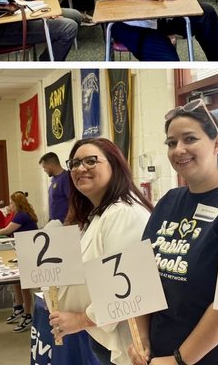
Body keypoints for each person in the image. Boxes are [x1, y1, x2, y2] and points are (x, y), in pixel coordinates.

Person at [129, 100, 218, 365]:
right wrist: (140, 341)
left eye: (190, 139)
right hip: (157, 353)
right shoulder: (168, 201)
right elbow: (141, 276)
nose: (179, 150)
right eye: (171, 142)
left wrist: (179, 361)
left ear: (217, 144)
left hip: (209, 357)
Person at [47, 137, 152, 363]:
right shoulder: (98, 214)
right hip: (103, 334)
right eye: (74, 163)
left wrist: (78, 320)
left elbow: (123, 292)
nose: (80, 168)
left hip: (127, 343)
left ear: (114, 165)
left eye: (91, 161)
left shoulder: (123, 213)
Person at [0, 192, 41, 332]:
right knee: (16, 281)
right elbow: (7, 225)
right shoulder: (18, 214)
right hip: (23, 249)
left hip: (29, 252)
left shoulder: (22, 215)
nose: (10, 205)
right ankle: (19, 307)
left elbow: (7, 230)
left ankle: (28, 314)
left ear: (17, 203)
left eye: (12, 203)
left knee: (24, 283)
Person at [39, 150, 72, 224]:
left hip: (63, 223)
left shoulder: (65, 178)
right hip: (54, 222)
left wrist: (67, 222)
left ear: (51, 166)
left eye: (44, 167)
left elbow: (73, 202)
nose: (44, 170)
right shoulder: (54, 179)